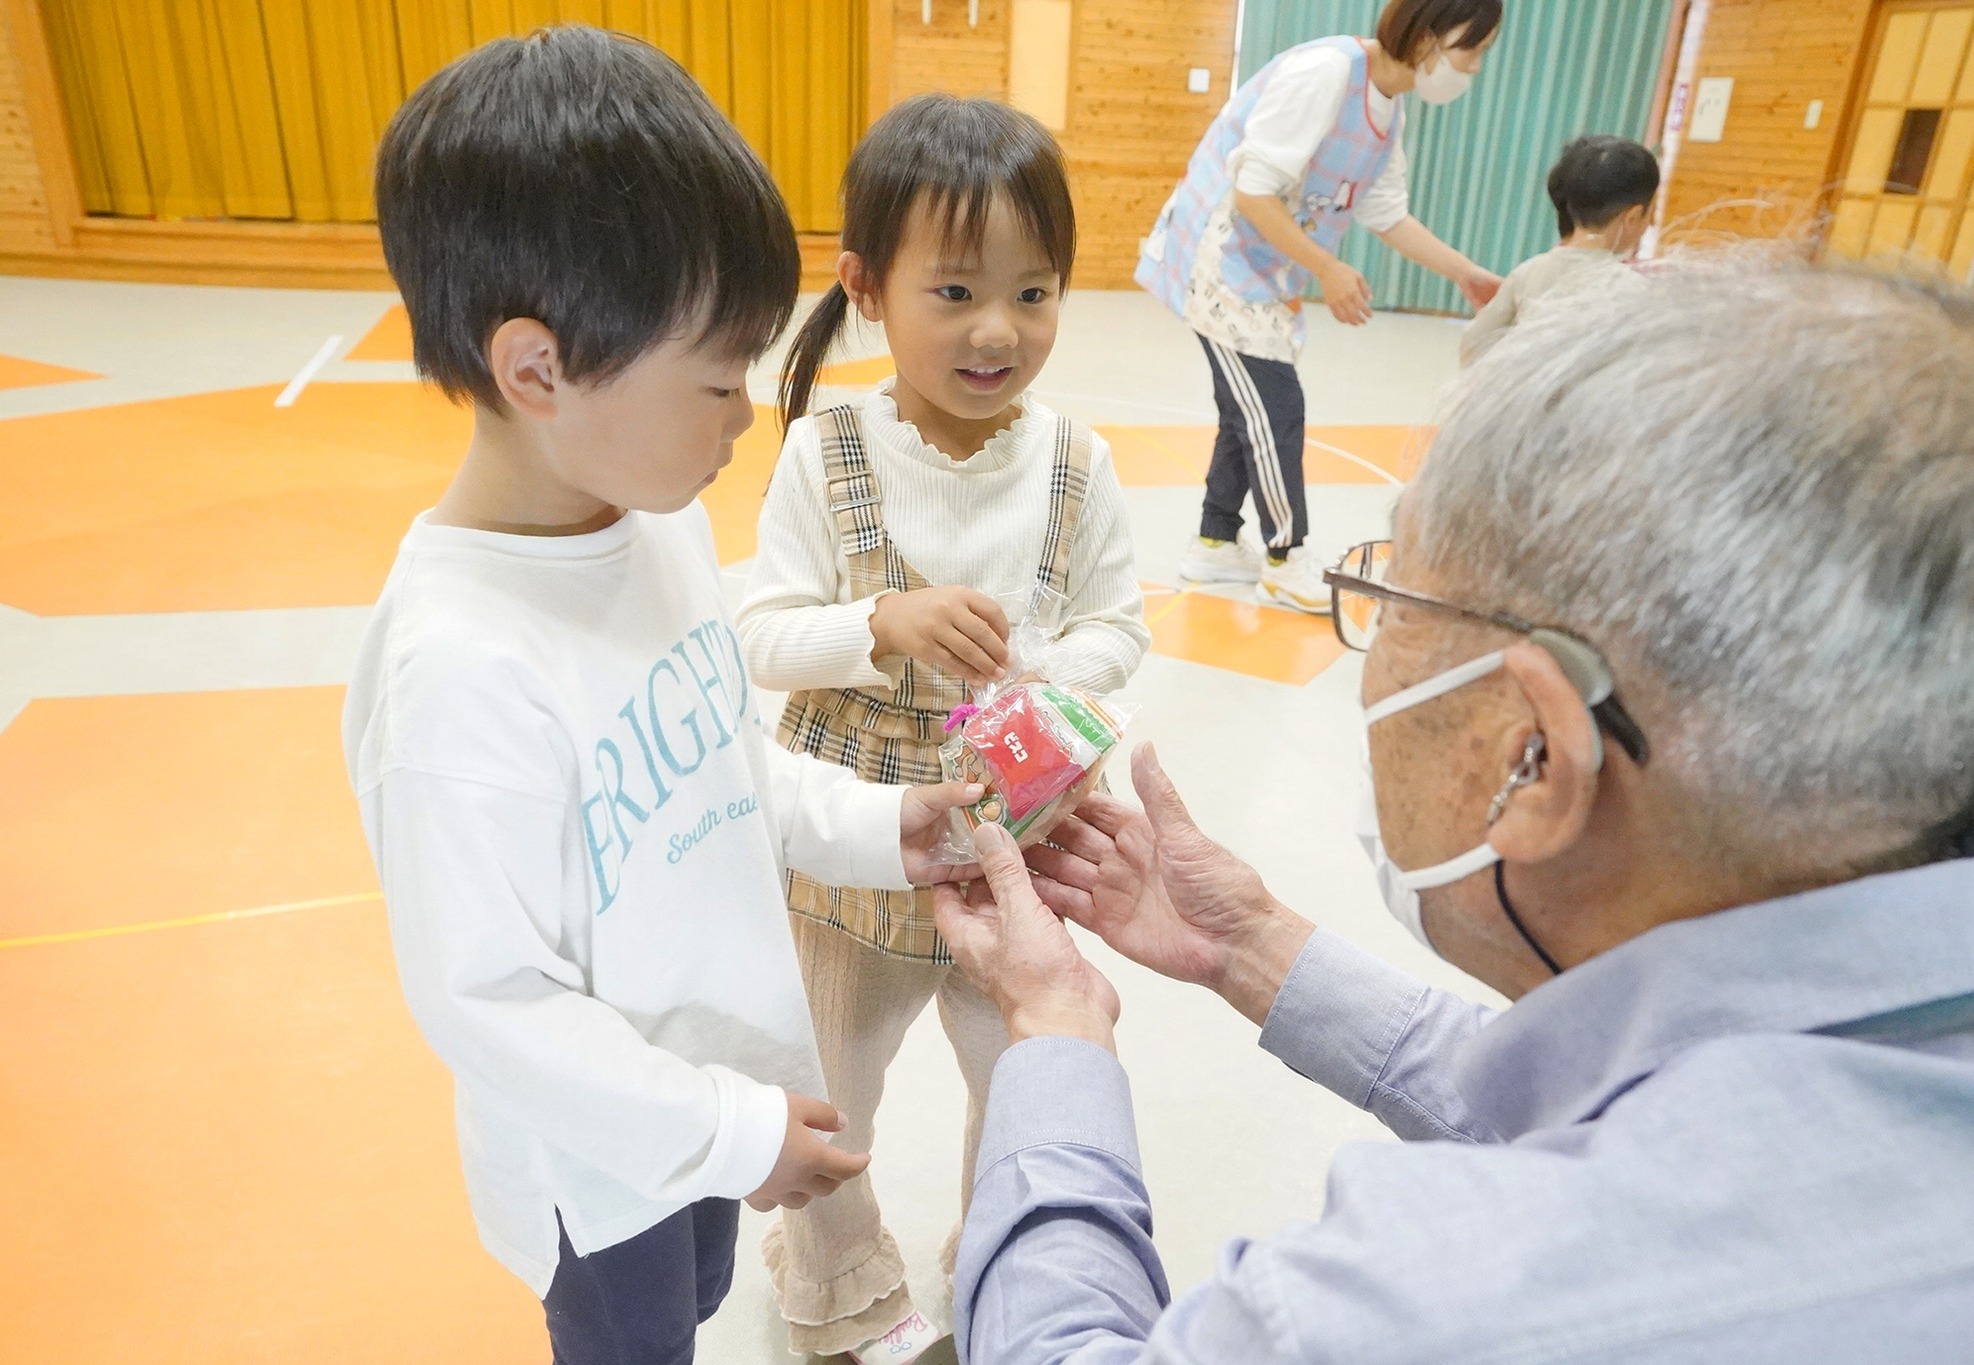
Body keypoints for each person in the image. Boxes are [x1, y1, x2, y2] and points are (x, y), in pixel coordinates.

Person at [935, 259, 1974, 1361]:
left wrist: (1055, 1028)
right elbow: (1625, 1101)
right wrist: (1251, 944)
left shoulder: (1410, 1313)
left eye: (1393, 600)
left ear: (1538, 754)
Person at [342, 30, 984, 1365]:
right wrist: (723, 1133)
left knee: (694, 1303)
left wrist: (882, 825)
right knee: (635, 1342)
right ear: (537, 370)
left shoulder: (659, 526)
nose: (745, 415)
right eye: (716, 377)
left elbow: (726, 761)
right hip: (601, 1160)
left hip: (723, 1087)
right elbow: (487, 1002)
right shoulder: (457, 670)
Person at [738, 94, 1148, 1363]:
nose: (996, 330)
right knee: (833, 1088)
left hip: (1017, 840)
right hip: (850, 842)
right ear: (865, 286)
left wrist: (1044, 674)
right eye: (956, 291)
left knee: (1021, 1079)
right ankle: (839, 1286)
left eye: (1032, 293)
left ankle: (1002, 1270)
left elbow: (1119, 627)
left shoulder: (1074, 463)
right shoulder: (827, 452)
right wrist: (880, 622)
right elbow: (758, 634)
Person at [1139, 0, 1507, 614]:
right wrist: (1328, 268)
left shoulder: (1389, 108)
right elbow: (1252, 193)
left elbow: (1385, 212)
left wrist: (1464, 273)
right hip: (1221, 260)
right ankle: (1285, 558)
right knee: (1275, 409)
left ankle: (1214, 542)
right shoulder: (1326, 72)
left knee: (1249, 412)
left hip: (1267, 272)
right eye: (1474, 50)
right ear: (1429, 37)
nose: (1475, 67)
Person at [1461, 134, 1659, 366]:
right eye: (1651, 212)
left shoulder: (1528, 272)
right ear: (1633, 217)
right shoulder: (1637, 290)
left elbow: (1473, 345)